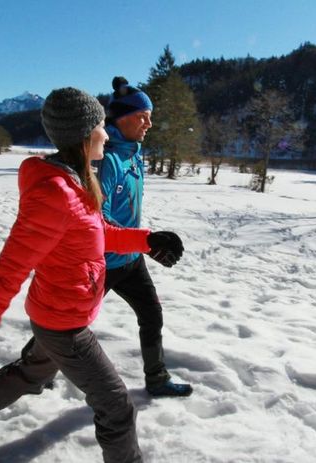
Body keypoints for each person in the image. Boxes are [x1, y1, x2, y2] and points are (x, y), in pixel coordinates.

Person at [0, 87, 184, 462]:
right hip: (63, 323)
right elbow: (9, 271)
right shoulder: (55, 193)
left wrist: (147, 240)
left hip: (59, 311)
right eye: (101, 126)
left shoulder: (75, 182)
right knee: (117, 408)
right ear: (85, 134)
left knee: (33, 372)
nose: (106, 134)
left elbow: (98, 232)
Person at [97, 76, 192, 397]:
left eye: (150, 116)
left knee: (152, 315)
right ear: (121, 118)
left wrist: (143, 244)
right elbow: (97, 220)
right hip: (103, 262)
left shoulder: (134, 153)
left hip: (131, 260)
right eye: (143, 116)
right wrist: (142, 240)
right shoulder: (107, 160)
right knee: (69, 324)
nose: (149, 123)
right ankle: (36, 368)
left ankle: (156, 379)